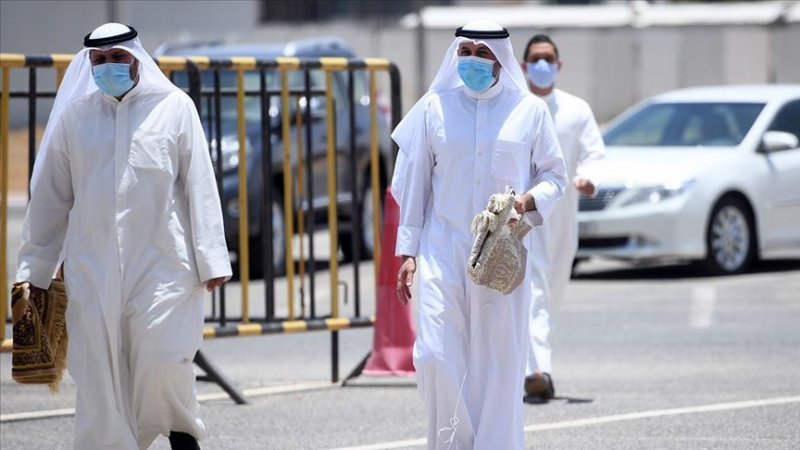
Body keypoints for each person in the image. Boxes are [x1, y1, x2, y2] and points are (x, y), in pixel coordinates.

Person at [15, 23, 231, 449]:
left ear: (136, 58)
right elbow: (50, 201)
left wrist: (212, 257)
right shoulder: (75, 119)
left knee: (164, 360)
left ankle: (181, 433)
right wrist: (32, 271)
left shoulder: (174, 107)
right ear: (88, 64)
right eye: (99, 60)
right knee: (99, 373)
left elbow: (200, 184)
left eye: (117, 58)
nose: (108, 67)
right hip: (91, 268)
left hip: (165, 266)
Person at [392, 19, 567, 449]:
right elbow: (414, 185)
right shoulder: (433, 108)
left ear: (501, 59)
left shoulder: (529, 111)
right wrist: (407, 252)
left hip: (500, 253)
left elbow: (555, 176)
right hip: (439, 249)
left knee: (499, 362)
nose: (471, 60)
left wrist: (527, 201)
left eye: (481, 53)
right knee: (434, 357)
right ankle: (454, 443)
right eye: (464, 52)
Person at [521, 34, 605, 399]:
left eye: (548, 58)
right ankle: (538, 371)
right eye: (535, 59)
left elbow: (594, 154)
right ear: (522, 65)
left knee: (551, 295)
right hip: (523, 219)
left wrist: (589, 179)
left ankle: (529, 365)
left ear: (559, 64)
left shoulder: (576, 110)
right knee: (533, 295)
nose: (542, 65)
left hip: (563, 221)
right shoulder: (514, 108)